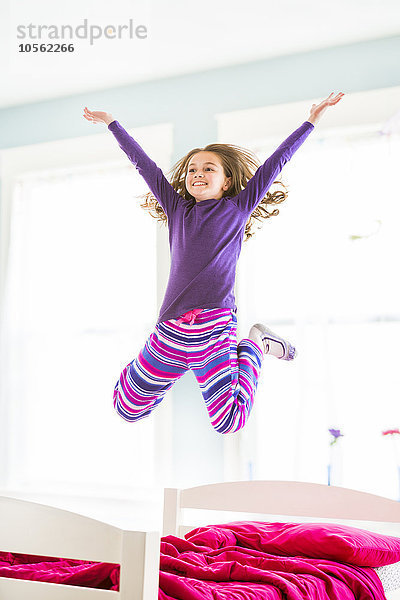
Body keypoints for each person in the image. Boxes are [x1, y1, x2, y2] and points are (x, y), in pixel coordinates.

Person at [83, 92, 344, 434]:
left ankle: (257, 344)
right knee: (126, 409)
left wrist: (311, 121)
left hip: (214, 331)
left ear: (228, 182)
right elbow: (143, 164)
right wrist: (111, 124)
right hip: (170, 331)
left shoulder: (237, 208)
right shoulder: (177, 210)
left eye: (209, 168)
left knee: (230, 423)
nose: (197, 173)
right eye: (192, 169)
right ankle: (145, 374)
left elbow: (276, 162)